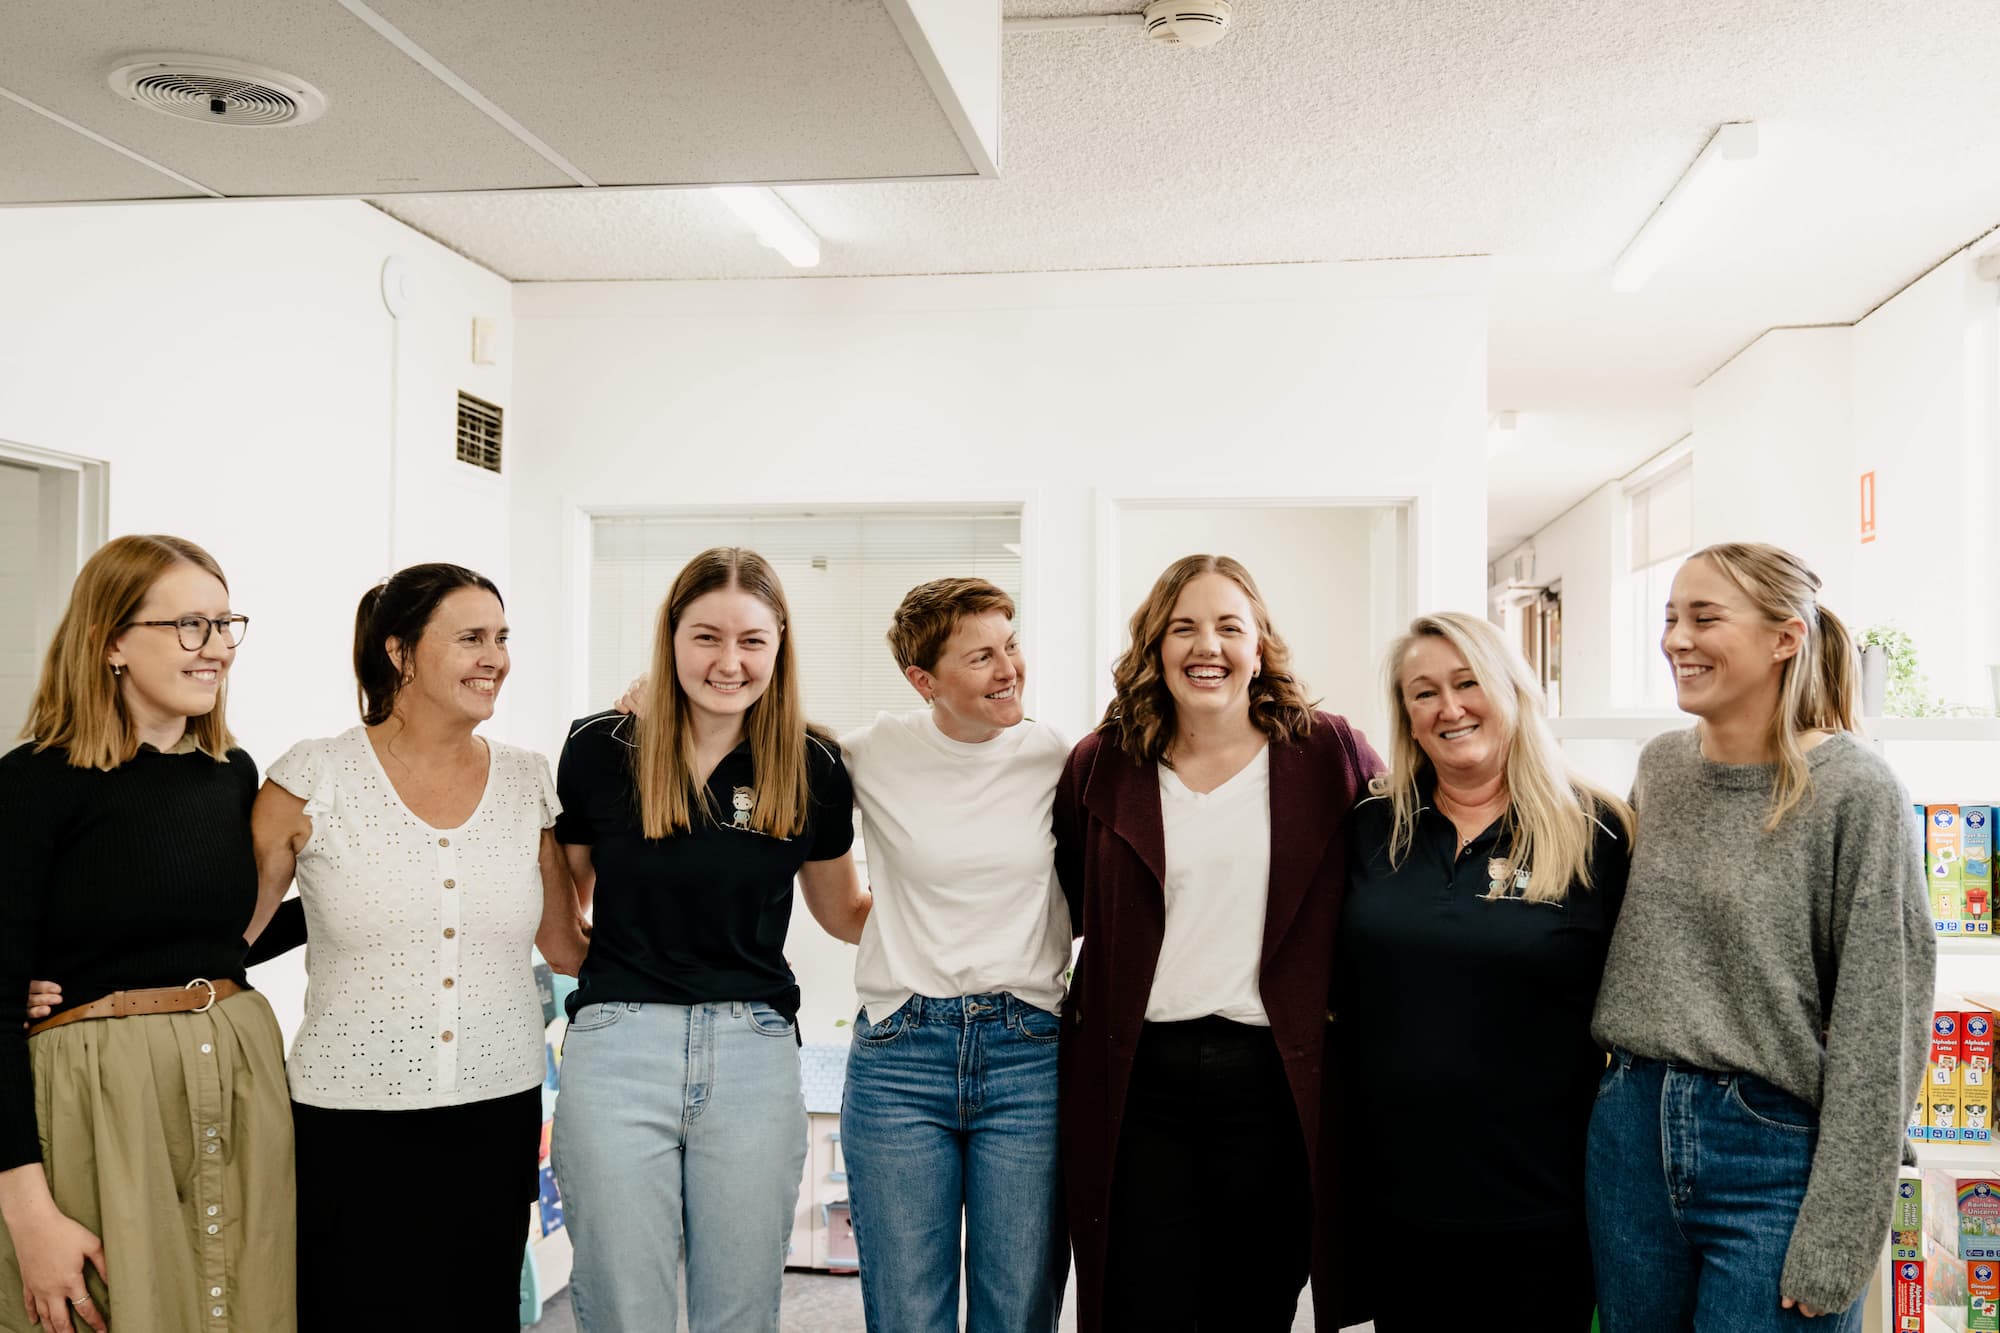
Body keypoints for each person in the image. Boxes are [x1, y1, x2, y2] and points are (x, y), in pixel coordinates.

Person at [1587, 542, 1934, 1331]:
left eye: (1704, 617)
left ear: (1786, 637)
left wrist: (1844, 1231)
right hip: (1629, 1138)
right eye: (1670, 618)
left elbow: (1882, 1026)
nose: (1677, 639)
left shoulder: (1856, 790)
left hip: (1773, 1155)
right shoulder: (1662, 767)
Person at [1053, 553, 1382, 1332]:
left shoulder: (1328, 753)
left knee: (1253, 1306)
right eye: (1184, 627)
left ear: (1259, 646)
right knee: (1138, 1305)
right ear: (1155, 647)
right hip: (1138, 1080)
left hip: (1274, 1080)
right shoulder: (1102, 762)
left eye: (1230, 626)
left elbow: (1393, 874)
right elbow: (1067, 899)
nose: (1208, 645)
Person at [253, 563, 587, 1330]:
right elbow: (227, 932)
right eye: (471, 638)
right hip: (348, 1117)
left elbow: (567, 945)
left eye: (501, 637)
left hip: (496, 1112)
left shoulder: (527, 779)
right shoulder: (314, 775)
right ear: (400, 652)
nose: (495, 657)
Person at [551, 546, 870, 1332]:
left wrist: (973, 904)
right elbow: (563, 919)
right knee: (623, 1307)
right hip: (617, 1051)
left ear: (780, 643)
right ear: (671, 636)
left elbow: (843, 912)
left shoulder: (813, 764)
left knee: (740, 1310)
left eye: (752, 640)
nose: (729, 662)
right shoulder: (601, 746)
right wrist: (624, 980)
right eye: (706, 637)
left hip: (753, 1053)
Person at [0, 534, 293, 1333]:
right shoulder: (33, 783)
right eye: (190, 625)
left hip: (234, 1085)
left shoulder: (231, 773)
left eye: (226, 623)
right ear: (112, 643)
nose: (218, 647)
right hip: (97, 1105)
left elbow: (217, 942)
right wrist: (27, 1211)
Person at [1337, 611, 1632, 1331]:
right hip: (1397, 1202)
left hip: (1543, 1209)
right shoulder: (1371, 824)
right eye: (1424, 692)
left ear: (1512, 690)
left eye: (1468, 682)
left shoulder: (1598, 831)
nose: (1450, 707)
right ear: (1407, 716)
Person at [838, 578, 1072, 1332]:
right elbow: (768, 746)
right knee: (907, 1311)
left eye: (1011, 645)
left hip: (1029, 1051)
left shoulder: (1057, 758)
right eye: (981, 657)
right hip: (901, 1054)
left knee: (1018, 1309)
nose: (1009, 669)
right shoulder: (872, 752)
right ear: (924, 680)